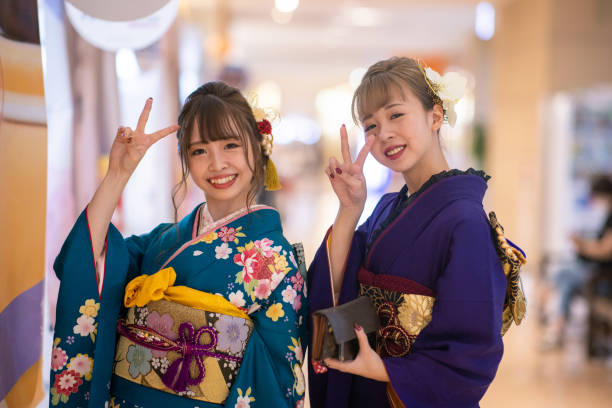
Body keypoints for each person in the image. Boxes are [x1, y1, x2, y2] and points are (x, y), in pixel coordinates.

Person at [50, 82, 307, 407]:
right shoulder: (162, 243)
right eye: (199, 151)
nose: (216, 164)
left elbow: (282, 375)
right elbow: (84, 264)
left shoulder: (275, 259)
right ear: (184, 159)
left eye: (230, 145)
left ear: (259, 145)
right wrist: (118, 174)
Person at [307, 57, 524, 408]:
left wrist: (384, 369)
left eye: (395, 115)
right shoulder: (386, 208)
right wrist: (349, 210)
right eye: (371, 125)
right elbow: (335, 286)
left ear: (435, 116)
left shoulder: (464, 221)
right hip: (369, 388)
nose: (384, 134)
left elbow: (470, 347)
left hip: (411, 393)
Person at [542, 175, 612, 349]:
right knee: (566, 282)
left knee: (563, 273)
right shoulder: (607, 216)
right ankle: (555, 329)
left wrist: (581, 245)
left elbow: (605, 250)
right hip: (593, 271)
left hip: (601, 276)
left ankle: (550, 315)